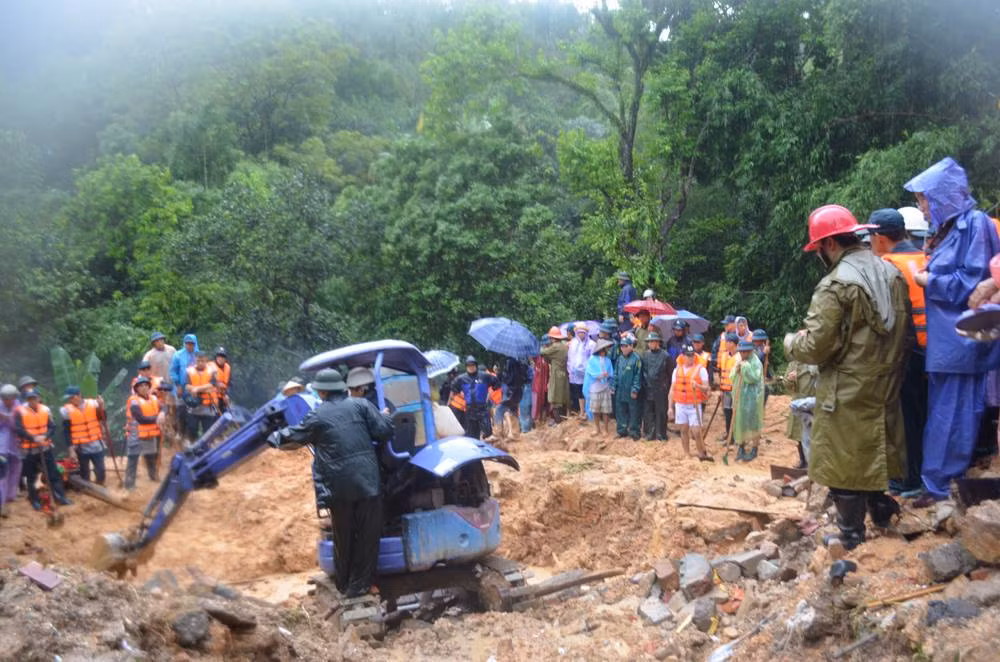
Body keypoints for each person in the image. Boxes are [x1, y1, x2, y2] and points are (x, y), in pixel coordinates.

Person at [786, 203, 908, 556]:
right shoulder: (891, 274)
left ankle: (851, 533)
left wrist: (791, 343)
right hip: (884, 381)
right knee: (873, 448)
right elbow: (904, 334)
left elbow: (816, 347)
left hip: (847, 387)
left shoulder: (835, 285)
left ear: (827, 245)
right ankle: (882, 510)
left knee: (842, 461)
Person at [906, 158, 1000, 506]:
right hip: (946, 343)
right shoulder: (946, 230)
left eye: (924, 199)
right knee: (944, 415)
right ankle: (938, 484)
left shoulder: (974, 225)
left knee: (954, 416)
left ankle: (941, 488)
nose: (922, 207)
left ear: (942, 195)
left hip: (964, 341)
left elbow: (975, 285)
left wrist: (931, 281)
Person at [269, 368, 393, 598]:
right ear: (341, 388)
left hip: (338, 487)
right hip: (368, 482)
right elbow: (384, 431)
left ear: (322, 393)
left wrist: (273, 435)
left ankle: (344, 585)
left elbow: (292, 437)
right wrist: (384, 416)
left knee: (343, 535)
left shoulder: (317, 416)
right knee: (368, 534)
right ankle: (360, 585)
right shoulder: (361, 405)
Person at [869, 207, 929, 496]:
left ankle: (909, 479)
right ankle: (919, 476)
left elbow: (885, 318)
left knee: (904, 419)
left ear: (879, 237)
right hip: (933, 349)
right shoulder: (923, 257)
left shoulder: (888, 266)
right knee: (923, 414)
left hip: (906, 352)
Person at [15, 390, 71, 509]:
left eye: (34, 398)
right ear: (27, 400)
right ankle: (35, 501)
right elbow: (19, 429)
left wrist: (45, 436)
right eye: (30, 399)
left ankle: (60, 497)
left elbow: (52, 426)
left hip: (45, 448)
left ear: (38, 398)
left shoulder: (45, 409)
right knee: (31, 478)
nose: (32, 401)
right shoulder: (20, 411)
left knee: (53, 474)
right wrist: (33, 438)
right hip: (29, 451)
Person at [668, 343, 712, 461]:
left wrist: (697, 386)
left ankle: (702, 453)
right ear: (682, 356)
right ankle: (687, 453)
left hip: (694, 405)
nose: (691, 358)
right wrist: (670, 407)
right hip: (680, 404)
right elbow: (672, 389)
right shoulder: (676, 370)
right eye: (688, 355)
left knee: (696, 431)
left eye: (692, 355)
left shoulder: (701, 369)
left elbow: (707, 388)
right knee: (683, 430)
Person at [60, 386, 108, 486]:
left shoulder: (93, 404)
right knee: (84, 472)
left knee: (101, 470)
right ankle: (86, 490)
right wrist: (71, 449)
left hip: (96, 443)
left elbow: (103, 417)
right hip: (81, 446)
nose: (71, 400)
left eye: (72, 397)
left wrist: (101, 406)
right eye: (69, 398)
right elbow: (67, 431)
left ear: (79, 395)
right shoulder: (67, 411)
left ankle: (99, 484)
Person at [730, 340, 765, 462]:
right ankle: (741, 447)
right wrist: (737, 370)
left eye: (745, 351)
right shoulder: (739, 360)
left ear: (750, 351)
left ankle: (754, 449)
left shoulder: (756, 362)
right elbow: (732, 377)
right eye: (741, 351)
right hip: (741, 398)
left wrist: (746, 368)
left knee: (753, 424)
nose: (743, 353)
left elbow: (754, 378)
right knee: (740, 422)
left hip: (753, 398)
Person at [451, 357, 501, 439]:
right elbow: (453, 387)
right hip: (469, 409)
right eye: (469, 365)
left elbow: (496, 383)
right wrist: (461, 393)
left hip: (482, 408)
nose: (471, 367)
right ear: (466, 367)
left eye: (473, 365)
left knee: (488, 432)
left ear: (476, 366)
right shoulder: (462, 378)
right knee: (472, 435)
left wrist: (490, 392)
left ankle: (487, 448)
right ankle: (475, 449)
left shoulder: (484, 376)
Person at [125, 377, 161, 489]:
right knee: (133, 459)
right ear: (136, 389)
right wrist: (158, 418)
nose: (144, 387)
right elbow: (141, 419)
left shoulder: (154, 399)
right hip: (136, 434)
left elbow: (163, 407)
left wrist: (163, 413)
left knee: (151, 457)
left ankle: (153, 477)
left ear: (149, 387)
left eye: (146, 385)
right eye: (140, 386)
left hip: (150, 434)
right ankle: (129, 485)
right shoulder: (134, 401)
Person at [783, 361, 819, 468]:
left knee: (811, 434)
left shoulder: (814, 362)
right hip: (797, 402)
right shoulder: (793, 365)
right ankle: (803, 460)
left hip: (810, 402)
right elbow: (786, 384)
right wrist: (790, 379)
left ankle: (811, 463)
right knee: (798, 434)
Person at [642, 332, 673, 441]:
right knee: (649, 411)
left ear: (657, 342)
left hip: (661, 388)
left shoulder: (665, 356)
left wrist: (667, 387)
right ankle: (650, 433)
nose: (650, 344)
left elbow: (670, 373)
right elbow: (644, 371)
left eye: (652, 341)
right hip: (649, 388)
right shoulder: (645, 355)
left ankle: (661, 434)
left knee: (661, 411)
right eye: (649, 342)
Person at [612, 336, 642, 440]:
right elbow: (615, 373)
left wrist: (635, 389)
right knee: (620, 410)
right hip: (620, 389)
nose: (624, 348)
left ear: (631, 346)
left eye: (626, 346)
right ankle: (621, 430)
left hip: (631, 390)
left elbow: (638, 376)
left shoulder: (636, 359)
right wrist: (613, 386)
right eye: (622, 346)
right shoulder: (619, 359)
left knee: (633, 411)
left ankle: (634, 432)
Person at [585, 339, 615, 439]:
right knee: (595, 410)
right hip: (595, 387)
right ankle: (597, 428)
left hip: (605, 386)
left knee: (606, 410)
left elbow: (611, 373)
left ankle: (605, 429)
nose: (606, 350)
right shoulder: (592, 359)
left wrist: (607, 376)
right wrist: (600, 375)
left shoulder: (608, 360)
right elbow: (590, 372)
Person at [185, 351, 219, 439]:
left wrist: (197, 389)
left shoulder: (212, 371)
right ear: (195, 360)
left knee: (208, 432)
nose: (200, 363)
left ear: (206, 360)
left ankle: (207, 450)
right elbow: (186, 385)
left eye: (202, 361)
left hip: (208, 405)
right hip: (194, 405)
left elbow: (212, 385)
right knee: (192, 429)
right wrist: (193, 388)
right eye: (198, 361)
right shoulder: (189, 371)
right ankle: (193, 448)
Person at [0, 384, 22, 513]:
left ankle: (11, 496)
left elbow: (20, 426)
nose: (7, 401)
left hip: (16, 444)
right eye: (4, 398)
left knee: (15, 470)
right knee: (3, 472)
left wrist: (8, 418)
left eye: (10, 398)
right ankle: (1, 501)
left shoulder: (19, 407)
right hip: (2, 445)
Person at [541, 327, 570, 424]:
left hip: (556, 373)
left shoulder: (555, 347)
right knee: (562, 395)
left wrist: (543, 348)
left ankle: (558, 420)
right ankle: (562, 418)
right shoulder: (564, 346)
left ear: (553, 338)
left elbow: (542, 352)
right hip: (563, 373)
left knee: (553, 396)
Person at [567, 325, 595, 418]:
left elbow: (593, 359)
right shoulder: (573, 343)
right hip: (576, 373)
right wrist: (570, 369)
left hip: (587, 373)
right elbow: (570, 357)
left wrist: (589, 370)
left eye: (583, 332)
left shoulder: (591, 344)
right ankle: (582, 411)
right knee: (579, 392)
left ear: (586, 333)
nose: (581, 334)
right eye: (579, 333)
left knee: (587, 392)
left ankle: (588, 412)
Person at [716, 332, 739, 441]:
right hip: (725, 389)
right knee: (727, 412)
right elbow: (722, 373)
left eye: (729, 342)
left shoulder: (739, 357)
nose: (727, 344)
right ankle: (728, 433)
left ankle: (734, 435)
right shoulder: (724, 356)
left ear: (734, 344)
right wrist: (721, 389)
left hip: (735, 390)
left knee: (735, 413)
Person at [710, 316, 737, 381]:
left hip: (733, 367)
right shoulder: (722, 335)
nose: (725, 326)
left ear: (734, 324)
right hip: (721, 368)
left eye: (727, 324)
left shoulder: (739, 335)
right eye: (725, 324)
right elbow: (714, 350)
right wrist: (715, 368)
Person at [532, 337, 551, 425]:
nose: (546, 346)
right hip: (538, 383)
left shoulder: (549, 357)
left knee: (546, 401)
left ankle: (544, 419)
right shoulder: (537, 357)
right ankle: (538, 420)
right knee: (538, 401)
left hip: (546, 382)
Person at [212, 347, 231, 413]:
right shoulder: (210, 366)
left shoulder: (228, 367)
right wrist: (217, 384)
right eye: (219, 356)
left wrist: (227, 394)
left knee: (225, 417)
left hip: (223, 397)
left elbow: (230, 383)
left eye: (223, 356)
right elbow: (207, 382)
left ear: (225, 358)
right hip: (211, 398)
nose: (221, 358)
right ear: (216, 357)